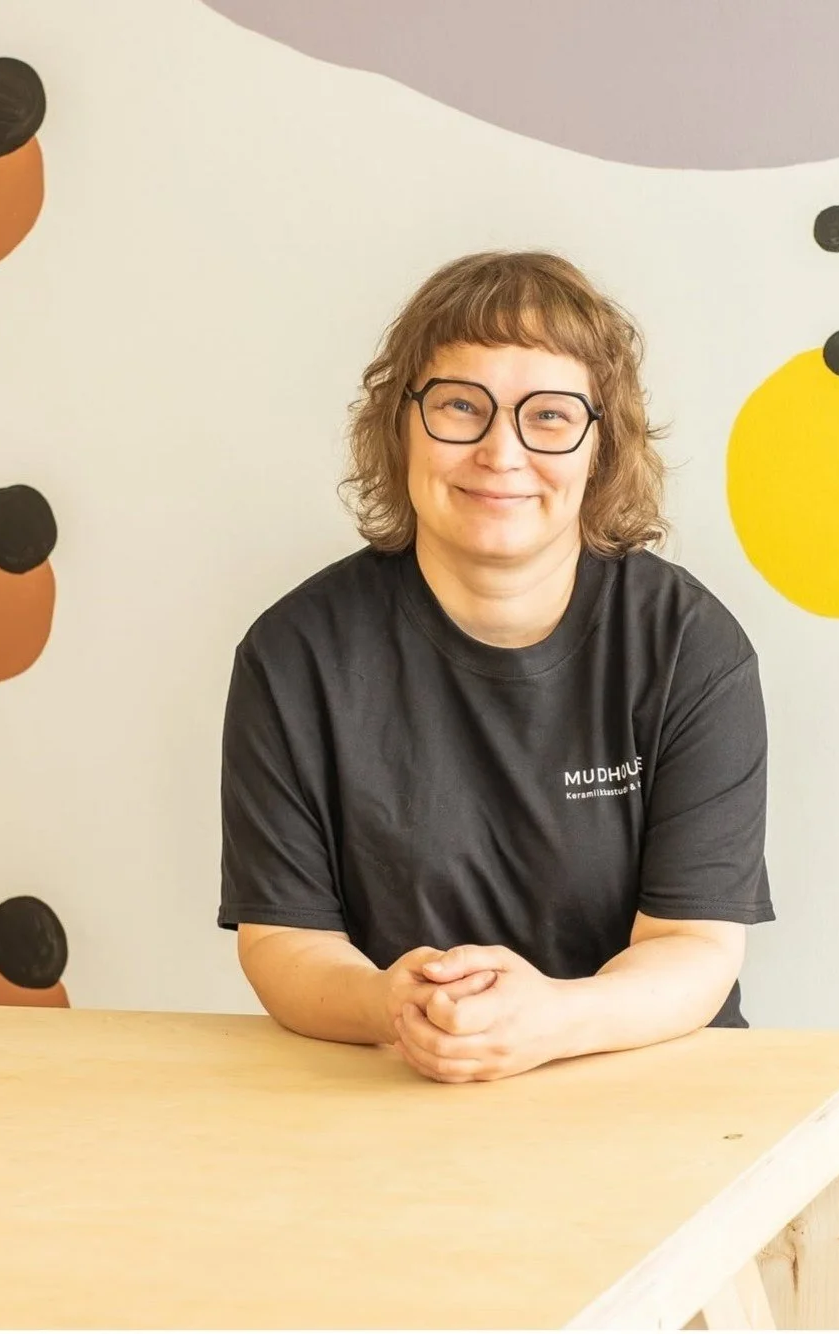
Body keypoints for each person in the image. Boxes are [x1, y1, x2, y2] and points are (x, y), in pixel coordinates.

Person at [219, 250, 774, 1084]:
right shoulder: (295, 655)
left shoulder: (688, 647)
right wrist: (392, 1004)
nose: (499, 451)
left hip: (654, 1087)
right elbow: (285, 942)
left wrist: (550, 1020)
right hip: (404, 1087)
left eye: (547, 415)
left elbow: (693, 945)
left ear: (600, 445)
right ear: (400, 426)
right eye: (459, 405)